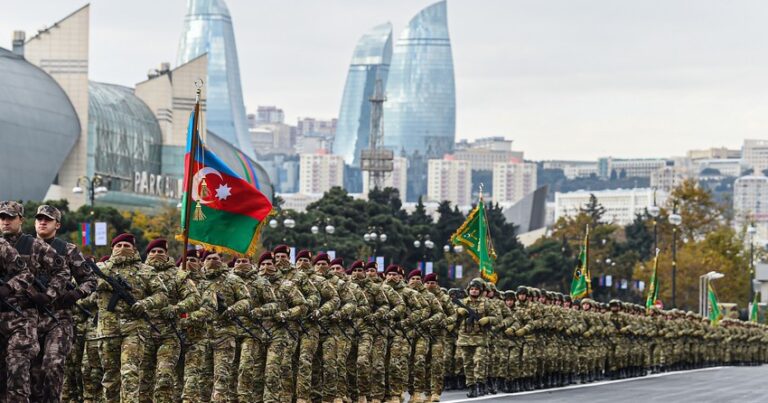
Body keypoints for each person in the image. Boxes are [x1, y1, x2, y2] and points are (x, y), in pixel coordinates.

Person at [0, 200, 69, 402]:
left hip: (24, 317)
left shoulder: (34, 245)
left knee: (20, 374)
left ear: (21, 220)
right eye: (2, 217)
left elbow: (62, 270)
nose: (5, 222)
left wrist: (48, 295)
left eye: (10, 217)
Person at [30, 205, 97, 403]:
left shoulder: (67, 250)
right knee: (32, 374)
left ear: (57, 225)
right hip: (29, 319)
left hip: (58, 319)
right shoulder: (24, 248)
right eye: (39, 219)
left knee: (53, 365)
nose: (43, 222)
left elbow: (90, 280)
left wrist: (75, 293)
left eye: (48, 219)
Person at [91, 233, 168, 402]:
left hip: (134, 329)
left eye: (126, 246)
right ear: (112, 249)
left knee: (130, 373)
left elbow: (162, 294)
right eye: (118, 246)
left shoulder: (146, 271)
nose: (122, 249)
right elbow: (83, 287)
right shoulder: (100, 269)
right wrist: (98, 285)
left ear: (134, 249)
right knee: (110, 377)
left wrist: (145, 304)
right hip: (107, 330)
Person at [139, 239, 200, 403]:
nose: (157, 254)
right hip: (141, 334)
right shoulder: (138, 273)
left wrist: (176, 309)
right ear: (147, 254)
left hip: (169, 334)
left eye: (160, 251)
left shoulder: (178, 275)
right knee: (143, 380)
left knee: (164, 378)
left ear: (166, 254)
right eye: (153, 251)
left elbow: (194, 298)